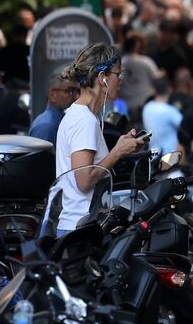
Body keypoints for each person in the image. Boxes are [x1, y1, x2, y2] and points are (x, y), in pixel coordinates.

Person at [47, 43, 146, 237]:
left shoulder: (82, 116)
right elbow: (84, 180)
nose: (120, 80)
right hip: (79, 229)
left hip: (77, 226)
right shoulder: (84, 120)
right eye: (118, 74)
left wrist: (121, 147)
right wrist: (118, 152)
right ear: (103, 78)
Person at [119, 33, 162, 124]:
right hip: (146, 103)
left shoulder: (118, 65)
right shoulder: (146, 62)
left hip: (127, 106)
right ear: (136, 46)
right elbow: (157, 79)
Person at [28, 73, 81, 144]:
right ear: (52, 95)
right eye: (69, 91)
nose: (76, 97)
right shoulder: (46, 127)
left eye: (77, 92)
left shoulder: (57, 120)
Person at [141, 78, 182, 157]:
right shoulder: (170, 111)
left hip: (153, 156)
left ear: (154, 90)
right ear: (170, 89)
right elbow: (186, 126)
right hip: (170, 159)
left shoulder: (147, 107)